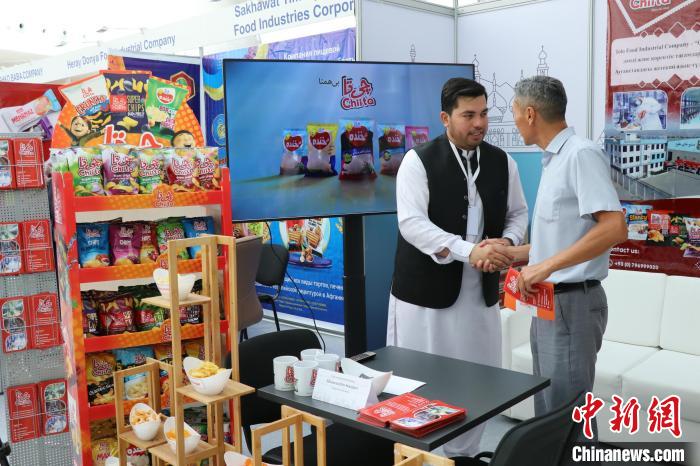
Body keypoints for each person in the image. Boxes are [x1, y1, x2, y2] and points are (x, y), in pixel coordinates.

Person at [387, 78, 528, 457]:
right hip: (425, 296)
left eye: (483, 113)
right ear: (445, 118)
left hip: (479, 295)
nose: (479, 123)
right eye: (468, 115)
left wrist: (507, 243)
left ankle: (464, 456)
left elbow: (518, 213)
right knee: (422, 380)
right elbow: (412, 223)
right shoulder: (417, 161)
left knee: (477, 379)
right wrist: (469, 251)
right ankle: (420, 458)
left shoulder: (503, 161)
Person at [503, 75, 627, 442]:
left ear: (530, 114)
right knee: (549, 412)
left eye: (514, 112)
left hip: (572, 304)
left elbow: (614, 227)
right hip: (548, 303)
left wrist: (544, 266)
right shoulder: (553, 160)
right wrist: (515, 254)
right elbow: (564, 237)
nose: (513, 120)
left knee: (568, 418)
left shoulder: (580, 154)